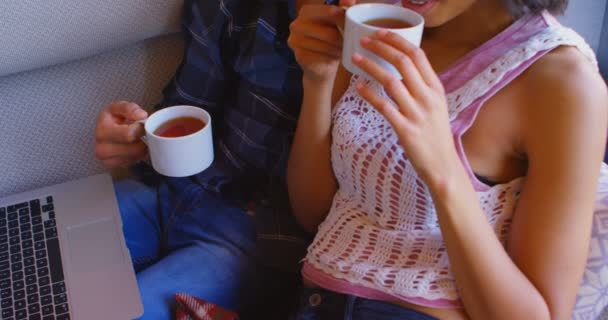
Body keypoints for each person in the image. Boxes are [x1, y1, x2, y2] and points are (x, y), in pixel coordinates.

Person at [287, 0, 608, 318]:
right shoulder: (378, 24)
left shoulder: (563, 81)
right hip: (313, 302)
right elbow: (315, 215)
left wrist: (443, 169)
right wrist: (318, 81)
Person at [94, 0, 315, 318]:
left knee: (119, 312)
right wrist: (136, 136)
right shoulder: (231, 9)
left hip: (252, 234)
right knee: (34, 252)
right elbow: (190, 107)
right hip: (171, 193)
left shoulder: (377, 33)